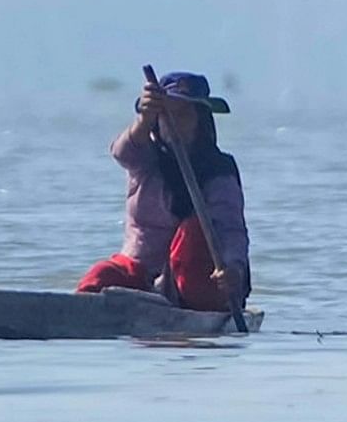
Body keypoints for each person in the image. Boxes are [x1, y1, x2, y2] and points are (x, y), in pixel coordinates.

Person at [77, 71, 251, 311]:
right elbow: (122, 151)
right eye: (167, 115)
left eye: (183, 115)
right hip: (141, 272)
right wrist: (144, 118)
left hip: (195, 281)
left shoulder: (219, 169)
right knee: (100, 275)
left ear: (200, 119)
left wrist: (233, 269)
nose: (174, 123)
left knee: (192, 230)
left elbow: (231, 230)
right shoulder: (145, 157)